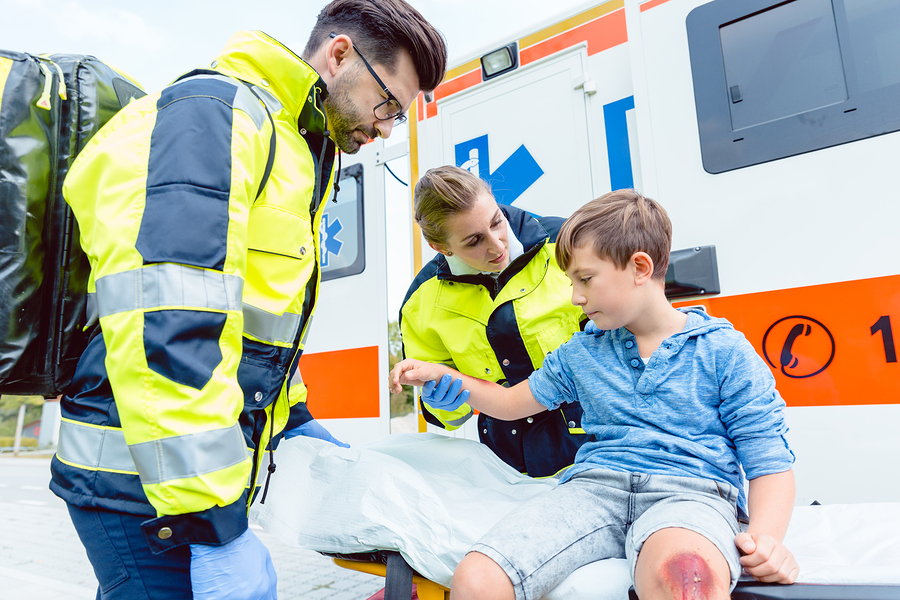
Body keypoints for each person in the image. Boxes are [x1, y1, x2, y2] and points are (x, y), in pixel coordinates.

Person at [49, 2, 447, 599]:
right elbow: (172, 322)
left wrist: (297, 425)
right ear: (340, 56)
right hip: (139, 487)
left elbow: (258, 331)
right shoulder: (215, 118)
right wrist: (214, 527)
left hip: (173, 480)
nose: (387, 128)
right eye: (388, 104)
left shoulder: (298, 147)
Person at [391, 190, 799, 600]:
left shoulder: (724, 352)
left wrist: (766, 541)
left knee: (684, 578)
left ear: (640, 267)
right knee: (476, 577)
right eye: (571, 282)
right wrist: (443, 376)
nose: (575, 297)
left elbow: (768, 457)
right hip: (592, 489)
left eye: (585, 280)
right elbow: (510, 403)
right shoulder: (581, 351)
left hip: (690, 492)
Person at [400, 165, 591, 478]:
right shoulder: (421, 304)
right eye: (474, 241)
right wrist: (442, 402)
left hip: (598, 450)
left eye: (496, 222)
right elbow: (449, 417)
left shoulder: (566, 243)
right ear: (440, 247)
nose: (498, 245)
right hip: (509, 469)